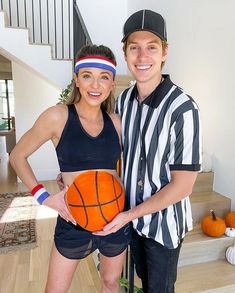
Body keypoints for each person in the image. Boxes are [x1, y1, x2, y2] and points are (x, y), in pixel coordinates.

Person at [94, 9, 202, 293]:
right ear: (125, 53)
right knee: (141, 281)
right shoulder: (123, 101)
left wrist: (129, 215)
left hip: (163, 228)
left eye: (151, 47)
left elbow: (183, 186)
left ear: (164, 52)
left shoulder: (184, 109)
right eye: (134, 48)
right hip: (129, 215)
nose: (142, 57)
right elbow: (113, 154)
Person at [10, 44, 131, 293]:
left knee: (110, 283)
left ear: (111, 84)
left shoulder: (117, 124)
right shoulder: (58, 116)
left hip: (114, 220)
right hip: (73, 219)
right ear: (77, 80)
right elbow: (17, 155)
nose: (95, 86)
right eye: (87, 76)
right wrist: (44, 197)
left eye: (104, 78)